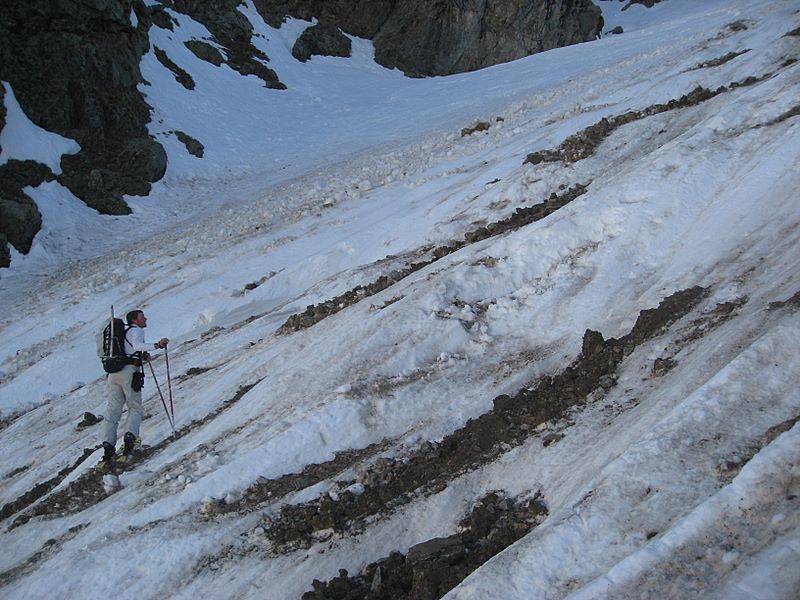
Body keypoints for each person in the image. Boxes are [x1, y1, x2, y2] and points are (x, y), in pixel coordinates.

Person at [100, 309, 169, 468]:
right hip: (129, 373)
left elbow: (130, 350)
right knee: (135, 407)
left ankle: (107, 446)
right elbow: (137, 345)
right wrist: (157, 345)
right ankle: (130, 440)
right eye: (142, 316)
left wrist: (141, 355)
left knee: (113, 410)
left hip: (114, 374)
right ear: (135, 320)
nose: (145, 318)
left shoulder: (123, 333)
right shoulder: (136, 331)